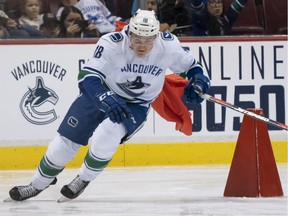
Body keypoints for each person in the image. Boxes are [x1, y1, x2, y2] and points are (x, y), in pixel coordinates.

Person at [7, 9, 210, 202]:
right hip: (100, 93)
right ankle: (38, 183)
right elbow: (87, 77)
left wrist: (199, 81)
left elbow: (193, 68)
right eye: (137, 39)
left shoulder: (169, 45)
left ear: (156, 37)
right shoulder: (112, 43)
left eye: (147, 40)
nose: (142, 45)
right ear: (129, 33)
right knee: (64, 143)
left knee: (108, 134)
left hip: (136, 104)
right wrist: (104, 97)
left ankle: (84, 178)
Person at [56, 0, 127, 36]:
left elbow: (111, 18)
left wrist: (126, 23)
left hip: (114, 31)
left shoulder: (92, 0)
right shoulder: (62, 11)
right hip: (96, 35)